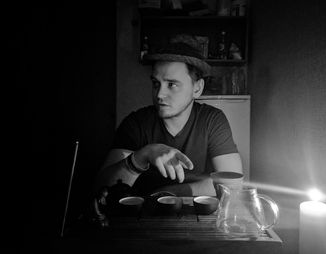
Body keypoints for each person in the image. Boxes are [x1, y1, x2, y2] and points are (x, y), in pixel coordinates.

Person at [96, 35, 242, 196]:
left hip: (196, 215)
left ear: (197, 88)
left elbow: (233, 185)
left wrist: (168, 192)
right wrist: (142, 156)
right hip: (144, 217)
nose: (159, 94)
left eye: (171, 84)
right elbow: (102, 189)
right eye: (156, 83)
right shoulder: (137, 123)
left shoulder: (212, 120)